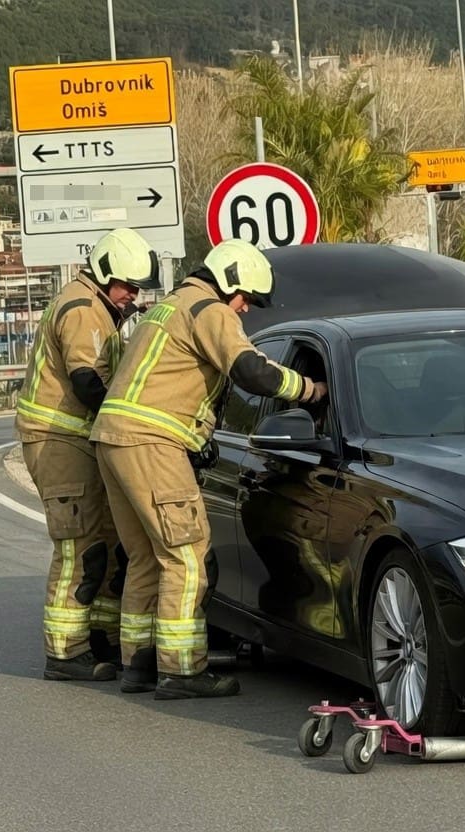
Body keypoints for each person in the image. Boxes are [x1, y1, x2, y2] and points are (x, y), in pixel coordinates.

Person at [90, 238, 327, 699]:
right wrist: (310, 391)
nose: (243, 311)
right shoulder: (209, 308)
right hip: (153, 442)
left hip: (113, 439)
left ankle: (136, 664)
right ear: (230, 283)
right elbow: (252, 371)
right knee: (187, 555)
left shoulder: (169, 306)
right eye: (246, 300)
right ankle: (181, 670)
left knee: (144, 557)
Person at [15, 227, 162, 681]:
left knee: (104, 542)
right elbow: (87, 382)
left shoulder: (98, 306)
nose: (131, 295)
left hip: (77, 440)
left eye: (137, 288)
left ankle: (98, 636)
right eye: (126, 286)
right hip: (60, 440)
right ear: (102, 274)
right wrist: (129, 421)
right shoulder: (83, 310)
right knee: (78, 545)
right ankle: (64, 651)